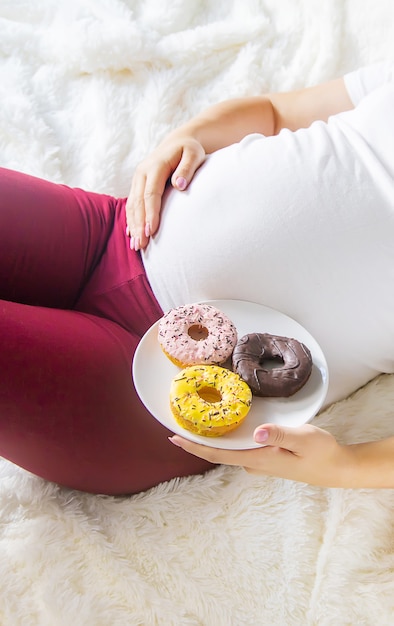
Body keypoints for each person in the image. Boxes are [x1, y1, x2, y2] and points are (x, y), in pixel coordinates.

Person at [1, 62, 393, 495]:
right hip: (113, 232)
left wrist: (346, 467)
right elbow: (276, 112)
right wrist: (189, 137)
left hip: (162, 399)